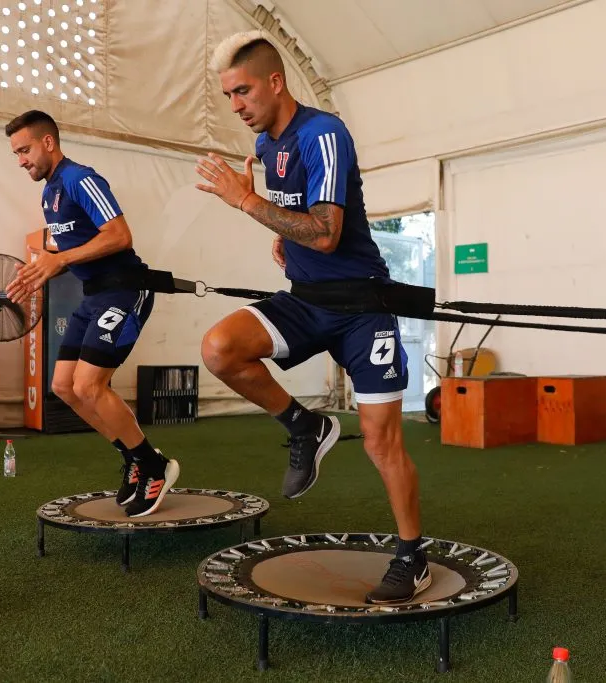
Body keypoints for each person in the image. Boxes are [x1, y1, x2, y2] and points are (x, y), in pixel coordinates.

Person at [195, 31, 430, 604]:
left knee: (380, 442)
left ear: (275, 82)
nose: (235, 105)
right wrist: (281, 235)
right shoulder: (267, 144)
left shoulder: (323, 133)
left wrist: (246, 201)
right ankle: (305, 425)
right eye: (228, 96)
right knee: (220, 348)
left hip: (362, 308)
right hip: (306, 301)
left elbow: (325, 233)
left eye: (243, 91)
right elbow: (301, 218)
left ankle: (412, 555)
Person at [4, 110, 178, 516]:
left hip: (126, 290)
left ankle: (154, 466)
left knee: (89, 385)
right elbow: (75, 247)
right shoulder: (48, 194)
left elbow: (119, 236)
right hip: (94, 296)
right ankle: (135, 456)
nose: (21, 161)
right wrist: (42, 267)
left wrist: (59, 260)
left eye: (24, 150)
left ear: (48, 142)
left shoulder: (81, 179)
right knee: (64, 387)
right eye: (16, 154)